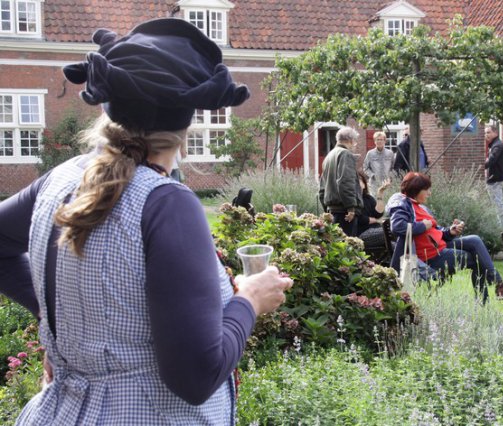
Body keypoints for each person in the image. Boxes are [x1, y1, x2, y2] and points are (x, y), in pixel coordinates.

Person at [0, 18, 293, 425]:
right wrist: (250, 300)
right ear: (186, 119)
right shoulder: (166, 203)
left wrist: (61, 325)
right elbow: (195, 376)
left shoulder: (61, 178)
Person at [388, 172, 503, 303]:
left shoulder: (418, 206)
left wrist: (450, 232)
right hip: (431, 256)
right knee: (478, 260)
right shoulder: (402, 204)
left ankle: (498, 288)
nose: (430, 193)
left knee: (475, 240)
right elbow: (398, 227)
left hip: (439, 246)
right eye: (426, 190)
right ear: (416, 190)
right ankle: (493, 294)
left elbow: (434, 231)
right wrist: (423, 225)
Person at [318, 126, 363, 236]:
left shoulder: (328, 157)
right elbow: (345, 182)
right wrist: (351, 207)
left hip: (332, 210)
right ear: (350, 141)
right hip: (344, 211)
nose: (355, 145)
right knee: (348, 246)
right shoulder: (345, 154)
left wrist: (326, 209)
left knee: (336, 247)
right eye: (355, 142)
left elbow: (322, 189)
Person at [356, 171, 390, 251]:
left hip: (376, 230)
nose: (356, 183)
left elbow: (379, 213)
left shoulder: (368, 198)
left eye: (358, 180)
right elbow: (361, 219)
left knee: (395, 244)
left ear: (364, 184)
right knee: (392, 230)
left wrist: (380, 193)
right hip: (363, 234)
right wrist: (377, 220)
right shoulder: (352, 200)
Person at [484, 124, 503, 226]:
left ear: (495, 133)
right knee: (496, 202)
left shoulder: (497, 145)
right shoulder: (495, 144)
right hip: (495, 178)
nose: (486, 135)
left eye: (488, 132)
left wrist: (481, 166)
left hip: (495, 179)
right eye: (485, 133)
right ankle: (501, 223)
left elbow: (492, 160)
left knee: (498, 203)